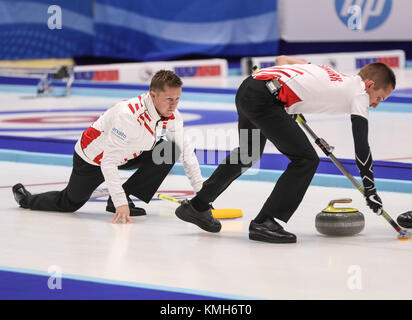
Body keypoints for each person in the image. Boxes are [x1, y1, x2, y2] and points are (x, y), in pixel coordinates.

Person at [175, 55, 396, 243]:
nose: (375, 104)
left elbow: (282, 60)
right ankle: (265, 222)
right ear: (369, 85)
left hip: (249, 88)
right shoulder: (359, 94)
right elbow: (361, 145)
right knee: (306, 159)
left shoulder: (326, 71)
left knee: (248, 153)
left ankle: (197, 206)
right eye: (379, 97)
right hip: (264, 100)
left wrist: (290, 100)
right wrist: (370, 188)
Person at [12, 70, 217, 227]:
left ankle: (123, 194)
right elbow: (107, 161)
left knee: (171, 149)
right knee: (69, 203)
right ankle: (27, 199)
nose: (174, 105)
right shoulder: (128, 116)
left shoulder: (171, 114)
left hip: (130, 151)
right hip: (93, 159)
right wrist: (121, 204)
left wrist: (202, 198)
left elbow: (188, 154)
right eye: (169, 99)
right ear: (153, 95)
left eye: (178, 99)